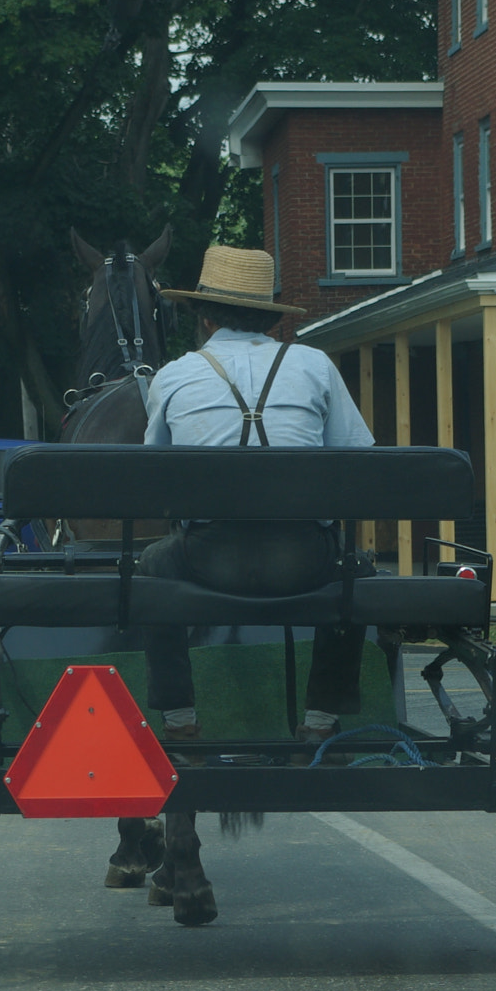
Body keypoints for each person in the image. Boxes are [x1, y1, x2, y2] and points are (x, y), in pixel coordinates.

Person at [140, 246, 374, 750]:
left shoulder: (175, 375)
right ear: (270, 318)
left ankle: (180, 722)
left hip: (208, 560)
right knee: (356, 570)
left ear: (204, 318)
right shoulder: (314, 365)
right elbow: (359, 461)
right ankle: (319, 724)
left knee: (152, 565)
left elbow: (154, 473)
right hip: (303, 561)